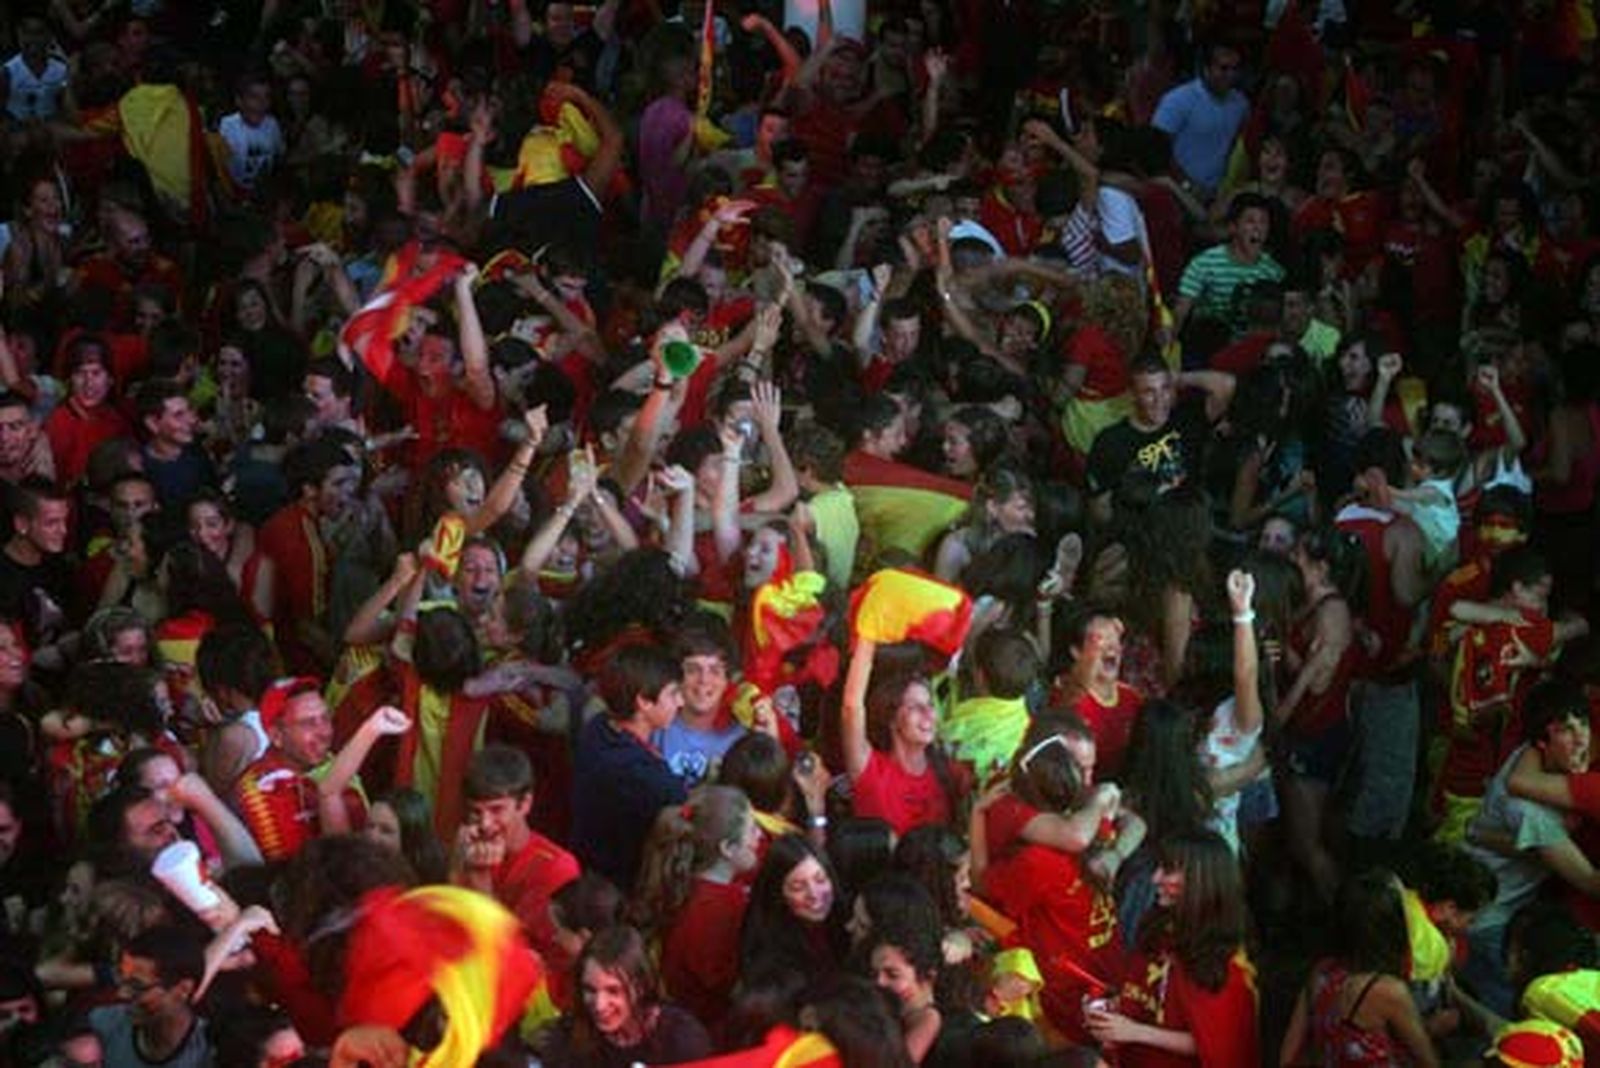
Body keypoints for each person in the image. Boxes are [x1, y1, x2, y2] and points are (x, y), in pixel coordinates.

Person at [1087, 830, 1259, 1066]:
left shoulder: (1224, 962)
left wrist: (1134, 1031)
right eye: (1158, 867)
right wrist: (1113, 1010)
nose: (1155, 878)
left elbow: (1217, 1043)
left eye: (1168, 870)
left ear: (1200, 880)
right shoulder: (1158, 928)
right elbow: (1139, 993)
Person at [229, 679, 405, 862]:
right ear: (276, 736)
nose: (325, 732)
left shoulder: (330, 761)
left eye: (325, 718)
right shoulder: (261, 796)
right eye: (308, 723)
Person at [1280, 870, 1441, 1067]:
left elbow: (1288, 1057)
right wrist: (1434, 1027)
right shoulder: (1387, 991)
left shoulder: (1321, 972)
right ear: (1393, 928)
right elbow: (1429, 1063)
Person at [637, 784, 761, 1030]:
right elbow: (730, 987)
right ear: (727, 848)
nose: (760, 836)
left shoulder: (683, 883)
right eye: (752, 830)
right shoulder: (718, 911)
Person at [572, 644, 689, 891]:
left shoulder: (598, 727)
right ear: (644, 701)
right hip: (620, 892)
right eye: (673, 693)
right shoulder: (649, 779)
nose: (681, 702)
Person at [455, 745, 580, 967]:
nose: (485, 824)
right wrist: (456, 868)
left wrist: (481, 883)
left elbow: (522, 957)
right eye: (476, 812)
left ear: (525, 804)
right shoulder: (467, 845)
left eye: (496, 810)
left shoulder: (556, 868)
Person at [538, 924, 712, 1067]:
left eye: (613, 990)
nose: (599, 1005)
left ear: (640, 987)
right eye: (590, 989)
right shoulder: (567, 1039)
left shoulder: (682, 1040)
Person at [90, 924, 214, 1068]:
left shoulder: (208, 1052)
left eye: (137, 986)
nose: (122, 994)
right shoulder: (104, 1024)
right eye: (121, 981)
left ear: (182, 990)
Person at [1151, 42, 1249, 199]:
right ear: (1206, 69)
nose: (1230, 75)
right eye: (1224, 68)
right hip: (1177, 192)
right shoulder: (1177, 100)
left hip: (1218, 194)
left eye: (1235, 69)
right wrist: (1187, 185)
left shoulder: (1241, 103)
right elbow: (1157, 149)